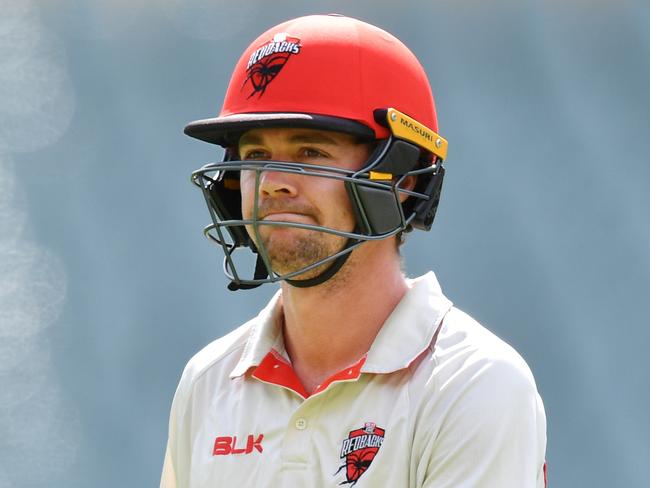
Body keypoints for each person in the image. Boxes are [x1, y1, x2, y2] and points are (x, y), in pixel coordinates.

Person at [161, 14, 547, 488]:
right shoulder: (207, 382)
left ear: (402, 181)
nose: (273, 183)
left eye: (310, 153)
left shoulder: (473, 382)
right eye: (256, 156)